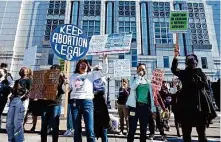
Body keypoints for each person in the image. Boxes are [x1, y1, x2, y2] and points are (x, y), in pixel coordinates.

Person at [171, 47, 217, 142]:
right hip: (186, 107)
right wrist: (176, 57)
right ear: (186, 63)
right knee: (186, 134)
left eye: (193, 60)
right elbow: (174, 69)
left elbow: (205, 85)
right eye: (189, 60)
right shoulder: (184, 73)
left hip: (199, 106)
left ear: (196, 62)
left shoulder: (199, 72)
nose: (191, 61)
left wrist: (199, 82)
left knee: (201, 133)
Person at [69, 54, 108, 142]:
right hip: (75, 103)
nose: (83, 66)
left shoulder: (91, 75)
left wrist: (104, 59)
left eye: (85, 64)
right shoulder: (73, 76)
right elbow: (69, 89)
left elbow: (104, 72)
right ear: (78, 66)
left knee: (90, 130)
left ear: (88, 66)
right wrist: (64, 83)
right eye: (81, 64)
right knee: (77, 129)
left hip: (87, 102)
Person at [126, 63, 156, 142]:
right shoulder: (133, 78)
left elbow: (151, 98)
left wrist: (153, 110)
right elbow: (132, 87)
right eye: (140, 69)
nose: (141, 70)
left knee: (143, 130)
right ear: (137, 70)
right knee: (132, 129)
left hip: (145, 108)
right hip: (134, 108)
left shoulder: (148, 82)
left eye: (143, 69)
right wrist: (139, 77)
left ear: (145, 70)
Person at [6, 67, 32, 142]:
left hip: (22, 101)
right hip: (14, 100)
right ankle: (11, 140)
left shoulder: (29, 80)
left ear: (27, 72)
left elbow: (30, 91)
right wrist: (11, 86)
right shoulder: (17, 81)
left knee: (17, 122)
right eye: (21, 69)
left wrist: (23, 99)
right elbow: (13, 91)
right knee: (9, 123)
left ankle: (19, 140)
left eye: (25, 69)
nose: (23, 70)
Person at [40, 64, 65, 142]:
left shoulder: (61, 80)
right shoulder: (46, 78)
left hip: (55, 104)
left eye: (56, 70)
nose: (53, 71)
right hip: (45, 104)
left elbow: (63, 90)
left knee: (55, 125)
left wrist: (63, 80)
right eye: (52, 69)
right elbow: (40, 89)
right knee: (44, 125)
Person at [93, 64, 110, 142]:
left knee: (104, 126)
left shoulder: (103, 79)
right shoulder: (92, 78)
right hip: (94, 101)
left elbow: (105, 70)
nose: (98, 71)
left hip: (102, 102)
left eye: (99, 70)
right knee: (94, 125)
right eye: (97, 70)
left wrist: (105, 59)